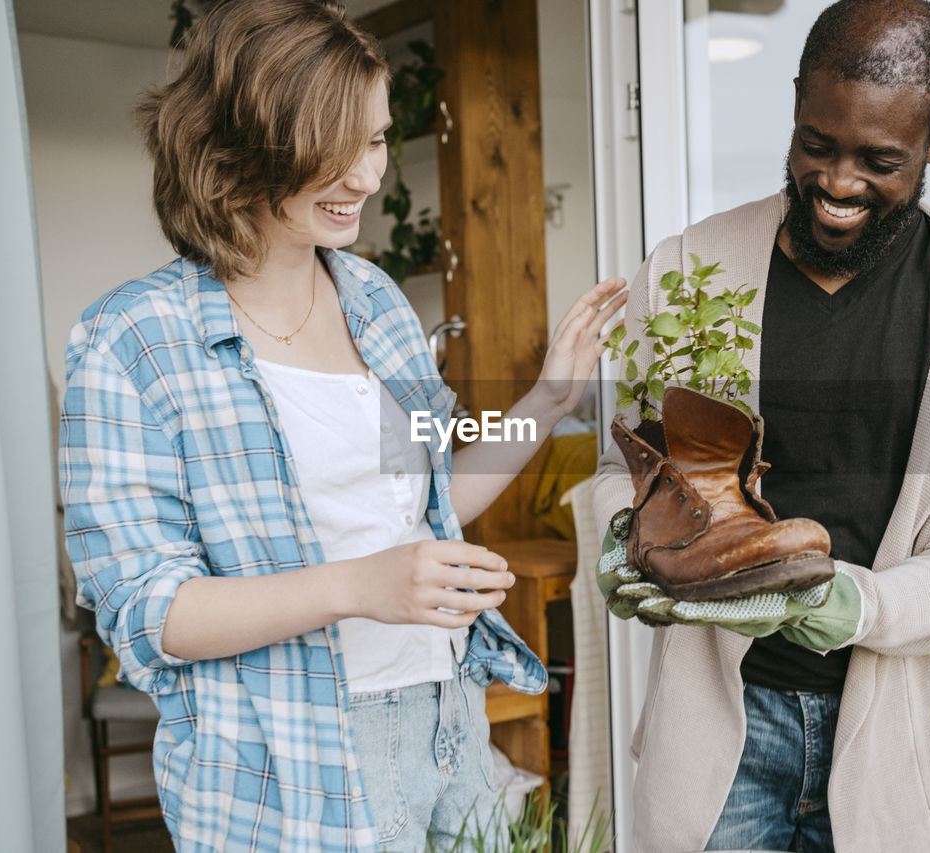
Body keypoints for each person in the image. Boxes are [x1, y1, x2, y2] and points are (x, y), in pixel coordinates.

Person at [59, 2, 626, 850]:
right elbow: (149, 611)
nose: (367, 176)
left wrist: (547, 399)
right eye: (335, 148)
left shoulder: (376, 303)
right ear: (241, 145)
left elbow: (433, 504)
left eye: (374, 140)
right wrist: (361, 585)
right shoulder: (132, 339)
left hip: (445, 718)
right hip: (290, 765)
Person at [591, 1, 930, 851]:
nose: (839, 182)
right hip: (718, 738)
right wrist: (624, 536)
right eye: (817, 144)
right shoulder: (689, 271)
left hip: (884, 739)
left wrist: (858, 603)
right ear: (798, 100)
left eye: (880, 159)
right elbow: (616, 464)